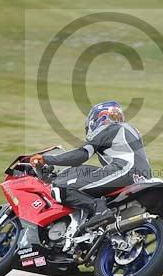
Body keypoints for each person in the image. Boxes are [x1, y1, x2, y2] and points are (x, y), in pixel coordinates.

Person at [29, 100, 152, 235]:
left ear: (98, 119)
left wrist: (46, 158)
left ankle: (99, 209)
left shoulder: (110, 129)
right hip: (144, 177)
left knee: (60, 187)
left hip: (125, 171)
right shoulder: (130, 133)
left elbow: (81, 155)